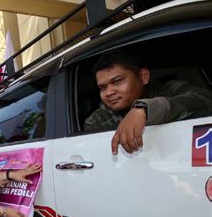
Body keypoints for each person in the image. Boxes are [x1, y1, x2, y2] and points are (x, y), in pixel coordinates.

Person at [84, 50, 212, 155]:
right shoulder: (97, 121)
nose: (108, 92)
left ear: (143, 77)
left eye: (117, 82)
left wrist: (143, 108)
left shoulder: (169, 89)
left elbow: (205, 99)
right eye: (102, 88)